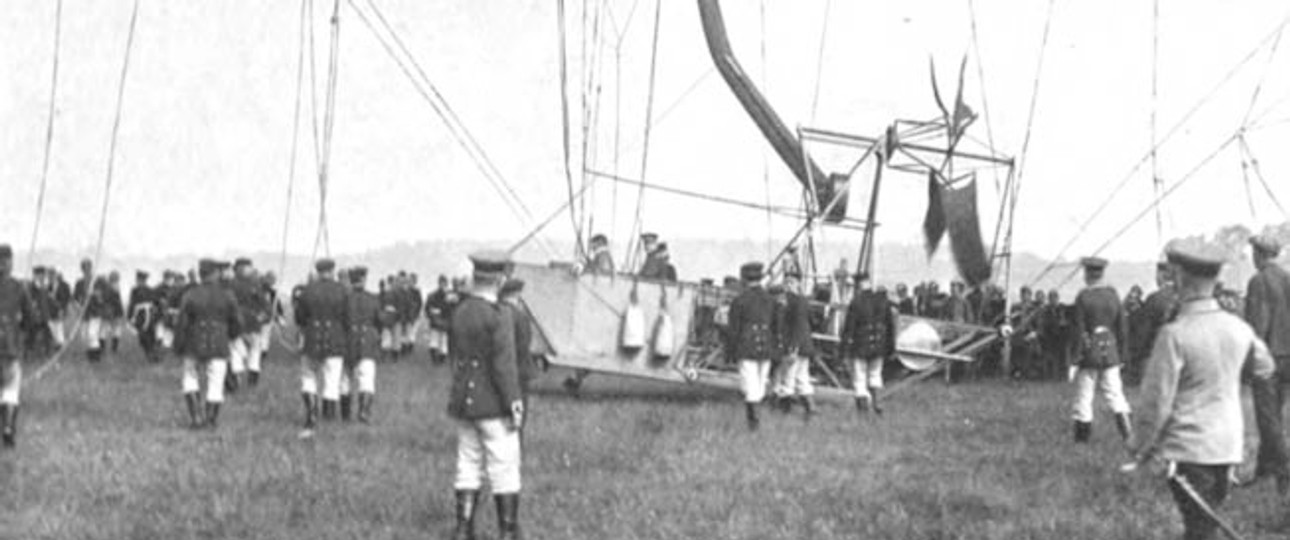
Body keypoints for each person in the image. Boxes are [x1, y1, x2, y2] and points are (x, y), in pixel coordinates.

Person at [1130, 239, 1277, 540]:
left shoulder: (1175, 334)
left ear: (1181, 278)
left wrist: (1140, 446)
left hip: (1190, 449)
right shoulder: (1238, 328)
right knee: (1203, 524)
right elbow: (1265, 368)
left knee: (1199, 530)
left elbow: (1156, 402)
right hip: (1228, 447)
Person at [447, 251, 524, 540]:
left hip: (464, 402)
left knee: (468, 463)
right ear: (500, 280)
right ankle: (507, 532)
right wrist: (513, 403)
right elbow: (504, 366)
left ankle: (463, 529)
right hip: (493, 403)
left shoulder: (461, 311)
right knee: (504, 467)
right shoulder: (500, 315)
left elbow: (455, 356)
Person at [1242, 234, 1290, 494]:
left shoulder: (1259, 281)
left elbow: (1258, 325)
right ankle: (1264, 470)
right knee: (1274, 415)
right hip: (1287, 358)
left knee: (1268, 420)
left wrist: (1250, 361)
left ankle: (1284, 473)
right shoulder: (1287, 278)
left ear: (1259, 254)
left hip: (1268, 358)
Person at [1070, 256, 1132, 445]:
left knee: (1084, 397)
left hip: (1089, 355)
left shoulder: (1083, 297)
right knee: (1116, 395)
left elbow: (1078, 331)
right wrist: (1122, 354)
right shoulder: (1113, 296)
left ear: (1087, 274)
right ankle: (1129, 435)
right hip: (1111, 353)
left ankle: (1082, 441)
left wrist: (1074, 359)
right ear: (1102, 273)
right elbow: (1122, 328)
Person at [175, 259, 241, 430]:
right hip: (219, 343)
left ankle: (196, 417)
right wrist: (231, 335)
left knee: (190, 378)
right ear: (215, 273)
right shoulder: (227, 294)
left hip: (193, 343)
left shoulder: (190, 294)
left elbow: (182, 323)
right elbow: (237, 323)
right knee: (216, 382)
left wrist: (179, 346)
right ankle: (211, 420)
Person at [295, 258, 350, 434]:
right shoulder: (342, 290)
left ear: (318, 271)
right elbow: (347, 317)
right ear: (333, 271)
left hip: (312, 337)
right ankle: (328, 418)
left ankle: (311, 414)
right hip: (335, 339)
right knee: (332, 380)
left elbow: (300, 317)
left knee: (308, 376)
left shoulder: (308, 290)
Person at [726, 261, 777, 431]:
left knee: (750, 386)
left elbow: (733, 329)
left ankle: (753, 425)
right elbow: (777, 327)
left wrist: (730, 352)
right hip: (766, 346)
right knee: (761, 385)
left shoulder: (739, 301)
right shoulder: (771, 300)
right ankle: (755, 422)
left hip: (746, 346)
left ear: (744, 279)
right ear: (761, 277)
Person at [840, 272, 897, 415]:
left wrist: (843, 350)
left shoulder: (856, 301)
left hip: (860, 345)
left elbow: (849, 328)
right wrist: (890, 348)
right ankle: (877, 403)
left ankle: (864, 411)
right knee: (875, 375)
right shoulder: (883, 300)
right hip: (879, 345)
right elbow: (890, 326)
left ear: (858, 285)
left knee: (859, 378)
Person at [0, 245, 34, 448]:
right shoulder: (19, 286)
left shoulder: (20, 286)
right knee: (11, 389)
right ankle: (9, 427)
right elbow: (31, 319)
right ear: (11, 263)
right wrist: (19, 328)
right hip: (10, 346)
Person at [1127, 261, 1179, 388]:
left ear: (1162, 275)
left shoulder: (1155, 298)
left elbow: (1142, 332)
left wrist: (1133, 355)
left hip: (1156, 355)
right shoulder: (1182, 297)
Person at [771, 271, 815, 418]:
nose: (788, 285)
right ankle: (810, 409)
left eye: (792, 282)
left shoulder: (798, 302)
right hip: (801, 345)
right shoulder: (788, 301)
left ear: (798, 284)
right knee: (802, 378)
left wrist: (793, 349)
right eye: (786, 282)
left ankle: (786, 412)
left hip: (795, 346)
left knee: (788, 378)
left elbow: (799, 326)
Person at [342, 266, 383, 423]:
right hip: (367, 342)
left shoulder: (345, 298)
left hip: (348, 341)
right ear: (364, 279)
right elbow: (379, 321)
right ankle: (363, 412)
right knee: (366, 378)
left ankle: (345, 415)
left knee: (345, 379)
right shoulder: (373, 299)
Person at [229, 259, 271, 388]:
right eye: (247, 267)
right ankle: (251, 376)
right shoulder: (255, 284)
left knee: (236, 348)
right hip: (252, 322)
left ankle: (237, 374)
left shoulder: (230, 285)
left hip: (237, 322)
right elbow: (264, 305)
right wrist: (264, 316)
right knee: (254, 350)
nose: (249, 269)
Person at [499, 278, 537, 407]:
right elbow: (525, 342)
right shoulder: (520, 316)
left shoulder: (494, 312)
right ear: (517, 294)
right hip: (518, 367)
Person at [128, 270, 161, 362]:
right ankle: (150, 353)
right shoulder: (134, 291)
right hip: (140, 316)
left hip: (149, 316)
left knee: (151, 336)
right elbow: (132, 304)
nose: (140, 282)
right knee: (143, 337)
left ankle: (153, 355)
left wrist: (156, 313)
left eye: (142, 280)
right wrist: (130, 317)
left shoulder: (150, 290)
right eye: (139, 280)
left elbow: (156, 303)